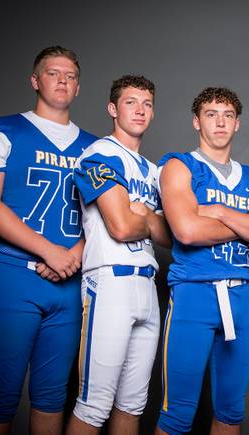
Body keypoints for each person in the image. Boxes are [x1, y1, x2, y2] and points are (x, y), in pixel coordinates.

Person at [0, 46, 96, 434]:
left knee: (54, 395)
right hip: (12, 277)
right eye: (53, 73)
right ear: (36, 81)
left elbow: (105, 219)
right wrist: (49, 251)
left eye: (70, 75)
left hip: (70, 283)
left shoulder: (95, 147)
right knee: (1, 396)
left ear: (78, 86)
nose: (62, 81)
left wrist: (71, 256)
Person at [155, 87, 249, 435]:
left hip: (240, 298)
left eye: (227, 115)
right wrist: (246, 225)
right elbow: (187, 231)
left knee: (231, 411)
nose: (220, 122)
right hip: (194, 294)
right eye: (211, 114)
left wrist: (222, 212)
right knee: (177, 413)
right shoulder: (179, 166)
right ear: (197, 121)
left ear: (237, 124)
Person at [66, 75, 171, 434]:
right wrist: (146, 216)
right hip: (109, 282)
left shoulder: (154, 171)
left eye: (147, 104)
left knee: (133, 404)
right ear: (113, 109)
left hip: (147, 285)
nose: (140, 110)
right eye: (131, 102)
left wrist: (140, 212)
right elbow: (122, 227)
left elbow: (170, 237)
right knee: (94, 404)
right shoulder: (99, 154)